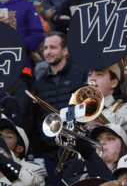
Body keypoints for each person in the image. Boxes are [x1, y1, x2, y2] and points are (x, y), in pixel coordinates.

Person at [29, 31, 88, 185]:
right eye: (45, 48)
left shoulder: (80, 74)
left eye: (53, 47)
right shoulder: (39, 82)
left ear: (65, 51)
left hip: (76, 150)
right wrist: (38, 153)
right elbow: (36, 118)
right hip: (50, 153)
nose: (48, 52)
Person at [59, 123, 127, 186]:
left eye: (110, 138)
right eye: (98, 140)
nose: (102, 142)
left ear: (123, 146)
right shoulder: (83, 165)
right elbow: (66, 181)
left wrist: (90, 156)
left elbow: (107, 182)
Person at [84, 62, 127, 137]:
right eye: (90, 75)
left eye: (99, 74)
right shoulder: (82, 107)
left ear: (113, 83)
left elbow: (113, 127)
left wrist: (94, 106)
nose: (92, 79)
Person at [0, 114, 46, 185]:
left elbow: (30, 183)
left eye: (8, 136)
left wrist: (4, 159)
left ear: (19, 148)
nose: (2, 139)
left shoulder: (36, 169)